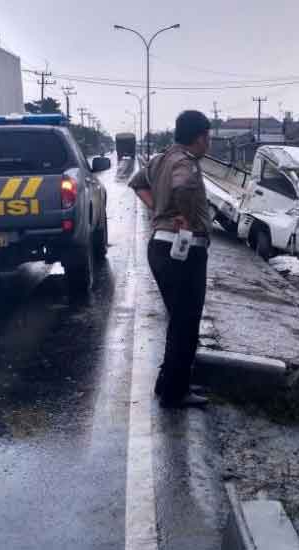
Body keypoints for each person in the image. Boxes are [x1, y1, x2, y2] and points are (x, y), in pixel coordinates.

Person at [128, 110, 212, 408]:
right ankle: (175, 392)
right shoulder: (184, 162)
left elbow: (137, 183)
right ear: (200, 137)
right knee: (186, 322)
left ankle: (169, 381)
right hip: (184, 250)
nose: (208, 143)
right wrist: (186, 217)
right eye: (208, 137)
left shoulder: (160, 158)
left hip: (160, 247)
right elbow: (182, 186)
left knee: (178, 319)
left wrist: (157, 211)